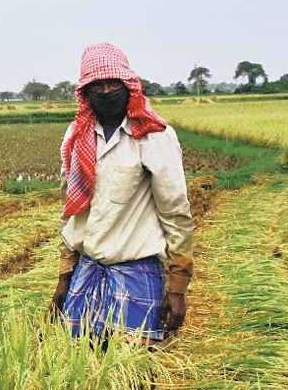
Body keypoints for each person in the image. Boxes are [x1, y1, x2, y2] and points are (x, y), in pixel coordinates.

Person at [50, 41, 194, 343]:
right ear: (85, 91)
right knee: (78, 373)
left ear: (128, 84)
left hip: (137, 274)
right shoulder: (78, 136)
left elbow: (175, 213)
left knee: (132, 380)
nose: (105, 91)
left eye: (113, 83)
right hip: (87, 272)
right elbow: (71, 213)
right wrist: (64, 277)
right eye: (96, 85)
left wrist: (178, 287)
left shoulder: (154, 136)